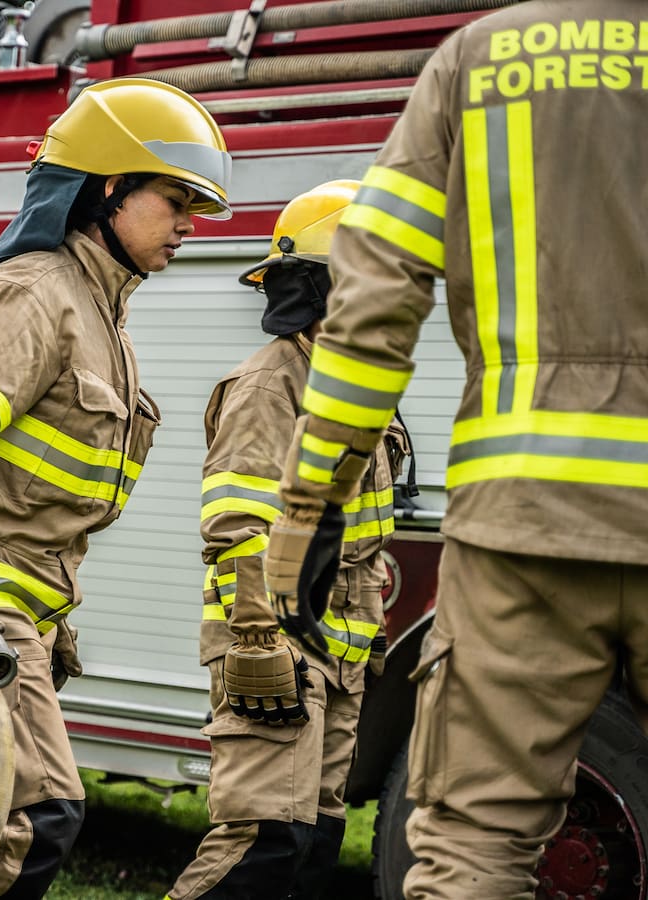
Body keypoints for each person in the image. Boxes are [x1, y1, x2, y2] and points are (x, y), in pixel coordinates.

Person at [261, 3, 648, 897]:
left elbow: (371, 300)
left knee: (476, 841)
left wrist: (313, 497)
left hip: (525, 520)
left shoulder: (481, 59)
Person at [0, 76, 233, 899]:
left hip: (13, 613)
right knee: (31, 819)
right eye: (174, 201)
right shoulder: (36, 296)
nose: (189, 226)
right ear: (108, 189)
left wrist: (48, 621)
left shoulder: (104, 312)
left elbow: (46, 502)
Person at [166, 181, 406, 900]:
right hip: (279, 647)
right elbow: (238, 523)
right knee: (261, 846)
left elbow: (359, 539)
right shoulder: (273, 385)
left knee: (312, 848)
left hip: (337, 656)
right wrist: (253, 639)